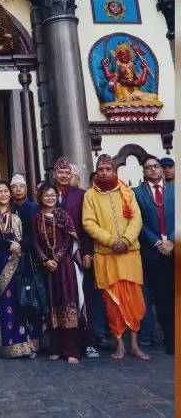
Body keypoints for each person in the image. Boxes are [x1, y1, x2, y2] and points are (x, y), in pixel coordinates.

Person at [83, 154, 149, 360]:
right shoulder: (90, 196)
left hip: (129, 253)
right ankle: (119, 343)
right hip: (106, 255)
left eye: (107, 169)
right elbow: (88, 223)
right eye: (100, 169)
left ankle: (135, 345)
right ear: (97, 171)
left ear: (114, 170)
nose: (104, 173)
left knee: (134, 300)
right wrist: (112, 242)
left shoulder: (127, 192)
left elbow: (137, 219)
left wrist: (126, 241)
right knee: (112, 304)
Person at [52, 156, 103, 358]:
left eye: (67, 173)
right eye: (60, 172)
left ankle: (89, 342)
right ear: (54, 174)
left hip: (77, 252)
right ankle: (61, 344)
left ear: (71, 175)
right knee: (59, 298)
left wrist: (88, 252)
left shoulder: (81, 195)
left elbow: (87, 227)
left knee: (84, 297)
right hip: (55, 256)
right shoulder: (47, 194)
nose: (63, 176)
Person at [31, 183, 88, 364]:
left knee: (68, 304)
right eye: (46, 195)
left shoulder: (63, 214)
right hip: (47, 268)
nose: (50, 198)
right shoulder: (36, 218)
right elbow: (34, 243)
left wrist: (57, 258)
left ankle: (71, 350)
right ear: (40, 197)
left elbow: (70, 238)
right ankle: (55, 347)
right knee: (52, 305)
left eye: (53, 195)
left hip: (64, 267)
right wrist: (45, 260)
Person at [0, 181, 36, 358]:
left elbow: (30, 236)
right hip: (0, 263)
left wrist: (20, 246)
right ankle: (9, 345)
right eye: (0, 191)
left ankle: (25, 344)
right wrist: (8, 245)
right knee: (7, 303)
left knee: (21, 302)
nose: (4, 194)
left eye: (6, 191)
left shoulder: (20, 212)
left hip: (20, 262)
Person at [133, 156, 174, 355]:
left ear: (162, 169)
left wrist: (171, 240)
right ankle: (170, 340)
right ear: (144, 171)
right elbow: (138, 222)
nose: (154, 170)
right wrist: (158, 242)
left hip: (175, 248)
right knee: (161, 298)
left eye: (156, 166)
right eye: (148, 168)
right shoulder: (137, 193)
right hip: (153, 253)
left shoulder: (175, 189)